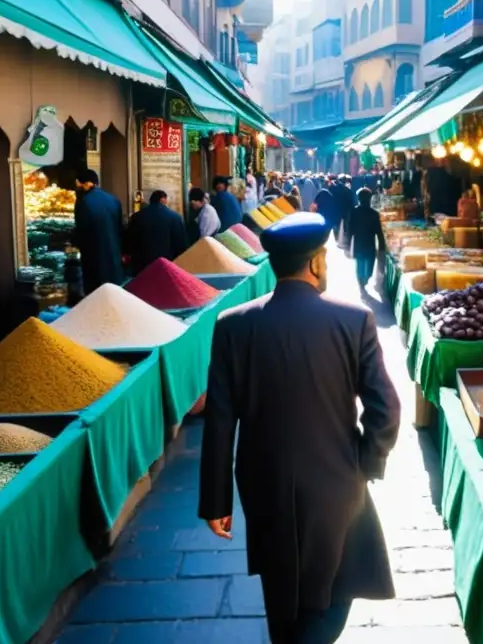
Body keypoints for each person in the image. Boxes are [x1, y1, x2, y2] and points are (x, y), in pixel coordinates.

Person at [199, 212, 400, 644]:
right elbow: (385, 408)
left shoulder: (233, 325)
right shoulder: (352, 320)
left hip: (263, 483)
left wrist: (216, 500)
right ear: (316, 263)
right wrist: (365, 462)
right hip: (338, 483)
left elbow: (219, 419)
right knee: (333, 588)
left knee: (280, 589)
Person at [73, 169, 124, 296]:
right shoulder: (114, 200)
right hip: (114, 258)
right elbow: (120, 228)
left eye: (77, 183)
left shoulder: (83, 202)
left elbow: (82, 232)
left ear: (83, 184)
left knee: (96, 297)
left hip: (94, 259)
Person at [128, 190, 187, 274]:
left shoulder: (137, 217)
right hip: (167, 265)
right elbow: (181, 244)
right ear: (162, 200)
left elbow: (130, 241)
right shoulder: (175, 217)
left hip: (142, 267)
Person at [348, 187, 386, 290]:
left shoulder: (354, 212)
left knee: (359, 263)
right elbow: (379, 231)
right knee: (370, 263)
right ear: (370, 199)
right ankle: (365, 280)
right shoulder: (374, 213)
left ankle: (361, 282)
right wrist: (382, 245)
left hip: (358, 242)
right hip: (370, 243)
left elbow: (350, 229)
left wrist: (348, 244)